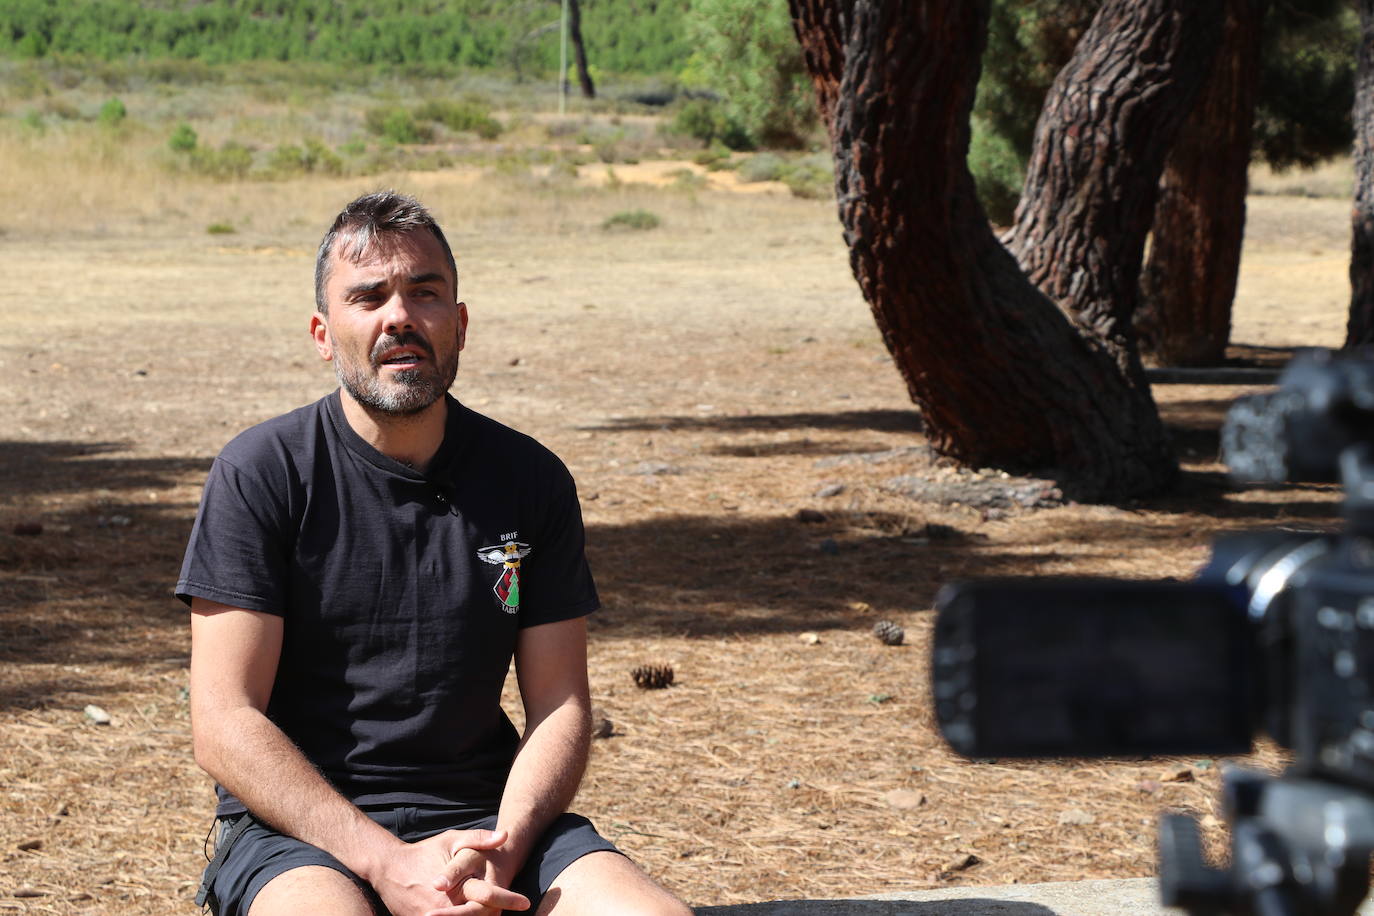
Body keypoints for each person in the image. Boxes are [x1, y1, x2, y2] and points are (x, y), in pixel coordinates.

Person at [177, 190, 693, 916]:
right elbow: (225, 723)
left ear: (459, 323)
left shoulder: (530, 478)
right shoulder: (262, 473)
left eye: (425, 293)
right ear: (324, 334)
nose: (399, 317)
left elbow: (560, 705)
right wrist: (387, 864)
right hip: (301, 836)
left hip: (490, 821)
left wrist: (499, 852)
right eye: (369, 297)